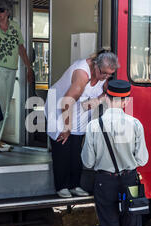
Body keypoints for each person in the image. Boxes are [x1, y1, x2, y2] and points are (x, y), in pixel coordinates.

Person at [81, 80, 149, 226]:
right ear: (126, 101)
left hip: (104, 182)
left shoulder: (94, 126)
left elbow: (87, 162)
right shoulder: (135, 124)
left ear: (107, 99)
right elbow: (142, 160)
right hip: (130, 182)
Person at [44, 50, 119, 198]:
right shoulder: (82, 74)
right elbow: (66, 102)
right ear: (96, 66)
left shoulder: (104, 75)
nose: (106, 77)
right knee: (63, 145)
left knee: (76, 149)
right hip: (60, 106)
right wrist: (66, 127)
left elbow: (103, 96)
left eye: (110, 74)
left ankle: (75, 185)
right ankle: (62, 186)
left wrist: (102, 98)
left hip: (79, 108)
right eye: (104, 73)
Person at [0, 0, 34, 152]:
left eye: (1, 10)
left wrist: (28, 68)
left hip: (12, 70)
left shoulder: (14, 26)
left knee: (5, 107)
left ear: (7, 12)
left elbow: (21, 48)